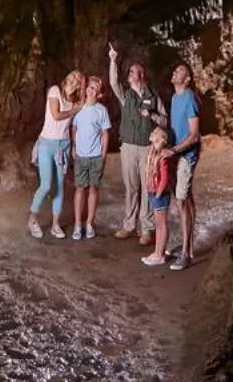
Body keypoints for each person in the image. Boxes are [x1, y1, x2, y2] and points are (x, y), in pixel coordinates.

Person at [108, 41, 166, 244]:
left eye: (135, 71)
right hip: (129, 147)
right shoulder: (126, 96)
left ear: (142, 75)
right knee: (131, 187)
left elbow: (165, 121)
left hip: (148, 148)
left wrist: (152, 115)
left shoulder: (153, 96)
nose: (132, 75)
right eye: (130, 72)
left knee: (147, 187)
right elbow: (113, 84)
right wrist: (113, 61)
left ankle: (147, 229)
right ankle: (129, 225)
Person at [29, 70, 83, 240]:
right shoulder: (55, 91)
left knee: (60, 187)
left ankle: (55, 225)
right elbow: (56, 115)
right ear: (66, 77)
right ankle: (32, 220)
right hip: (47, 143)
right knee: (45, 185)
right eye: (73, 75)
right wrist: (74, 110)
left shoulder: (76, 101)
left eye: (79, 78)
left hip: (63, 145)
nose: (75, 78)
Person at [163, 61, 201, 269]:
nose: (175, 72)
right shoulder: (174, 98)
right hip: (177, 153)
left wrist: (174, 150)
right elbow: (175, 126)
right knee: (187, 198)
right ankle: (189, 246)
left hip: (186, 154)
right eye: (175, 69)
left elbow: (194, 135)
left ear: (187, 79)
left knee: (180, 200)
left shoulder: (189, 98)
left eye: (180, 71)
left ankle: (185, 254)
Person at [70, 74, 112, 240]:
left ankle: (89, 224)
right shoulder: (78, 107)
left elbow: (105, 134)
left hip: (95, 156)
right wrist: (74, 146)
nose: (90, 89)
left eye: (94, 88)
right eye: (89, 86)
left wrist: (103, 155)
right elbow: (73, 128)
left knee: (93, 189)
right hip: (81, 155)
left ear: (99, 94)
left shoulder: (101, 111)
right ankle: (77, 224)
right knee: (80, 189)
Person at [139, 125, 174, 268]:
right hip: (153, 192)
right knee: (158, 224)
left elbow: (164, 178)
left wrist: (159, 193)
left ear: (161, 139)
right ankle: (157, 251)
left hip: (159, 194)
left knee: (161, 224)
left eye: (155, 133)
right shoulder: (152, 152)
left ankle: (159, 254)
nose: (152, 134)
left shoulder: (161, 157)